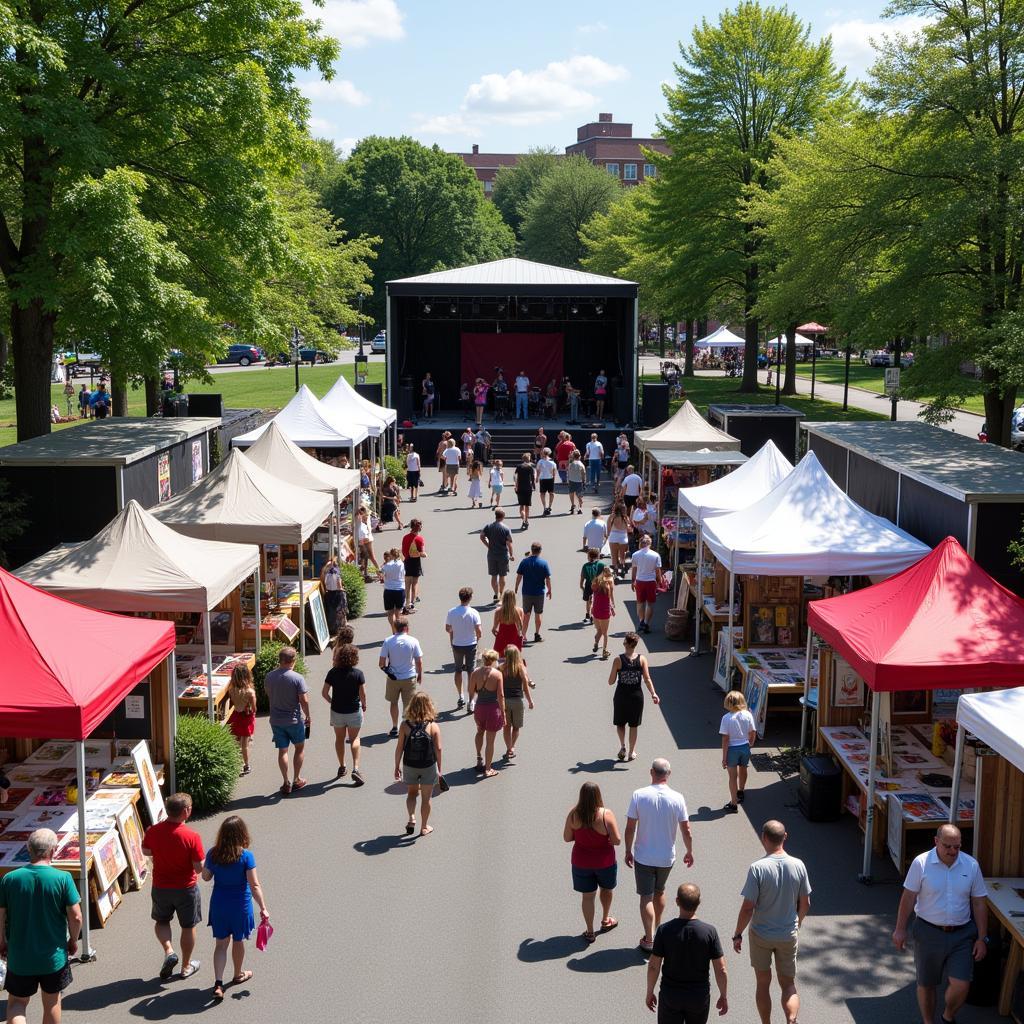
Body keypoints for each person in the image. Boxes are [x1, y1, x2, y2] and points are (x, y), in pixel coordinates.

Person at [893, 823, 988, 1024]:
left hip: (962, 934)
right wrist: (900, 929)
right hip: (928, 932)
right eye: (947, 846)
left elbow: (979, 902)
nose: (953, 851)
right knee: (926, 984)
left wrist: (982, 937)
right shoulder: (921, 863)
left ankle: (948, 1016)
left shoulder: (971, 865)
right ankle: (929, 1021)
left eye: (957, 846)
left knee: (961, 984)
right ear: (936, 842)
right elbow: (909, 897)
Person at [732, 820, 812, 1024]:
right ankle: (791, 1018)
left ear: (764, 838)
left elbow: (748, 907)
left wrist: (738, 933)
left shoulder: (757, 868)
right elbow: (806, 903)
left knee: (763, 983)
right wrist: (797, 923)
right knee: (788, 984)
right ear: (785, 837)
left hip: (761, 935)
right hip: (787, 934)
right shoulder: (798, 865)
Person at [0, 829, 82, 1024]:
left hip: (20, 955)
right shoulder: (63, 878)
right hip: (53, 957)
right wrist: (73, 939)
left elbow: (0, 915)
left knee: (17, 1003)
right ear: (53, 851)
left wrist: (1, 941)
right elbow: (76, 916)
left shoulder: (10, 879)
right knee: (52, 1003)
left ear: (29, 849)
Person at [625, 758, 694, 955]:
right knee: (660, 891)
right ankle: (657, 931)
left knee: (646, 896)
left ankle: (649, 939)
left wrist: (628, 850)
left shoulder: (639, 795)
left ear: (651, 772)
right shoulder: (678, 798)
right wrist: (689, 850)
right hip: (666, 857)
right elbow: (686, 829)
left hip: (644, 856)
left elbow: (630, 827)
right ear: (668, 774)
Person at [201, 816, 269, 1002]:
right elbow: (254, 885)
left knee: (221, 944)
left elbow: (206, 877)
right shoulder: (246, 856)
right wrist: (263, 907)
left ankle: (218, 983)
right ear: (242, 834)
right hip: (240, 906)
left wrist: (206, 866)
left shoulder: (213, 854)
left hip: (219, 906)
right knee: (238, 940)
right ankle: (238, 974)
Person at [142, 792, 205, 980]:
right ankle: (186, 966)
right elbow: (199, 868)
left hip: (161, 886)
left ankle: (169, 951)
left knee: (162, 921)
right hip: (186, 888)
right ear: (186, 811)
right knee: (188, 926)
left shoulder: (153, 831)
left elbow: (146, 850)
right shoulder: (192, 836)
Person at [646, 884, 728, 1024]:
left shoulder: (664, 930)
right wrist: (723, 995)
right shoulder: (709, 932)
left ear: (677, 901)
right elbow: (721, 969)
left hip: (670, 995)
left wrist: (650, 992)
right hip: (698, 996)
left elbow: (654, 966)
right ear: (699, 903)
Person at [564, 783, 621, 944]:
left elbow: (567, 838)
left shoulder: (573, 814)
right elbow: (617, 840)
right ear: (598, 795)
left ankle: (590, 931)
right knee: (606, 890)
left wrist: (580, 836)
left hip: (581, 862)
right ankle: (605, 920)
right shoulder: (606, 815)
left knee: (587, 897)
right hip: (605, 862)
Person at [394, 692, 442, 837]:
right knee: (426, 798)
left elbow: (399, 747)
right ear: (429, 706)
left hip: (410, 764)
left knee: (412, 794)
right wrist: (439, 769)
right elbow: (438, 749)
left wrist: (397, 766)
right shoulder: (433, 726)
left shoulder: (404, 725)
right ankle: (424, 827)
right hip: (428, 765)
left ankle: (411, 818)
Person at [264, 646, 310, 795]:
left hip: (276, 720)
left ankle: (286, 782)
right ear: (293, 661)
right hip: (294, 720)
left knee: (283, 751)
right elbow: (304, 700)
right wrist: (308, 715)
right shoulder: (297, 678)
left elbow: (268, 693)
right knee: (299, 748)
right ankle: (297, 779)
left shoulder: (269, 676)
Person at [610, 632, 659, 761]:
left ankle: (622, 746)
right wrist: (653, 693)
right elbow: (647, 679)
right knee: (634, 725)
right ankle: (631, 752)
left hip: (621, 695)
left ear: (625, 643)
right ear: (635, 645)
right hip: (636, 696)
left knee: (620, 723)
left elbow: (611, 681)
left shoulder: (618, 660)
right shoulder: (642, 659)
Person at [322, 642, 366, 784]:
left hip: (337, 711)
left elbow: (324, 693)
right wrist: (364, 704)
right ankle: (356, 768)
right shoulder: (358, 674)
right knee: (354, 739)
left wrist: (332, 701)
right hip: (353, 710)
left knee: (339, 739)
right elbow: (362, 693)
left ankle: (342, 766)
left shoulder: (332, 672)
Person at [379, 616, 423, 738]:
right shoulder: (413, 641)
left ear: (395, 628)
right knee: (409, 704)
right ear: (406, 628)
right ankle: (409, 726)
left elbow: (381, 663)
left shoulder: (388, 641)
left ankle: (395, 727)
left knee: (393, 702)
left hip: (393, 678)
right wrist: (420, 674)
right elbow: (419, 660)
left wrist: (388, 671)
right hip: (409, 677)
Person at [469, 649, 505, 778]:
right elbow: (500, 695)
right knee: (490, 741)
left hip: (480, 708)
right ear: (494, 660)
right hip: (493, 709)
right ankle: (488, 768)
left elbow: (471, 691)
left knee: (479, 732)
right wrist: (503, 714)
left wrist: (471, 704)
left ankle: (479, 758)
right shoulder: (497, 674)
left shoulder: (475, 673)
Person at [446, 587, 482, 709]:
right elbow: (479, 631)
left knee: (458, 670)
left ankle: (461, 696)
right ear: (470, 597)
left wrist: (454, 632)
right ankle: (471, 700)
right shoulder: (474, 613)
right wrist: (477, 639)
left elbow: (448, 628)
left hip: (457, 644)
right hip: (471, 644)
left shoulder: (452, 612)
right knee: (471, 672)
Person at [720, 691, 757, 813]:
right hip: (745, 747)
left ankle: (734, 803)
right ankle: (741, 790)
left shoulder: (726, 718)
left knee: (732, 776)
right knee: (743, 768)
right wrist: (750, 743)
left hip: (732, 749)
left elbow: (725, 739)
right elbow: (753, 731)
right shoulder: (748, 715)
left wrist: (724, 758)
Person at [500, 644, 534, 760]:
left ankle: (509, 748)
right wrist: (530, 701)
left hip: (504, 701)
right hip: (517, 701)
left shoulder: (501, 668)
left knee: (506, 727)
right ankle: (512, 747)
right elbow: (525, 687)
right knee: (516, 727)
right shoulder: (520, 668)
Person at [515, 541, 552, 643]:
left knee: (526, 614)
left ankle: (523, 635)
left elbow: (519, 576)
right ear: (540, 551)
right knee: (538, 614)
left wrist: (516, 587)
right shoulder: (544, 563)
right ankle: (537, 634)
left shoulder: (524, 562)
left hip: (527, 592)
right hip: (539, 593)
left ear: (532, 550)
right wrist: (550, 590)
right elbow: (547, 578)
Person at [226, 664, 257, 776]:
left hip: (235, 716)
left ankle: (235, 764)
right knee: (245, 744)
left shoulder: (231, 689)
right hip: (246, 717)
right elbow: (254, 709)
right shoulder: (250, 692)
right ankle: (246, 765)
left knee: (235, 742)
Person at [632, 534, 665, 635]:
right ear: (650, 543)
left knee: (640, 602)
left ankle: (642, 621)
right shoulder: (655, 555)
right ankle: (646, 623)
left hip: (640, 581)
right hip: (651, 581)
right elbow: (658, 570)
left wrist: (632, 581)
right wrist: (659, 582)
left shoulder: (635, 555)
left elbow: (634, 569)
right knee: (650, 603)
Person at [480, 507, 514, 601]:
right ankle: (501, 593)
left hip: (491, 554)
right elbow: (509, 542)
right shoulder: (506, 528)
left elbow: (482, 536)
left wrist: (488, 545)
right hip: (503, 554)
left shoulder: (488, 526)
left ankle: (496, 594)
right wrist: (511, 554)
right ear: (503, 516)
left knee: (493, 576)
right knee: (502, 576)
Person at [492, 590, 525, 666]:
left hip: (502, 636)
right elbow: (521, 626)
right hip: (514, 636)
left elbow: (494, 629)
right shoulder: (519, 610)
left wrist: (497, 634)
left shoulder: (498, 611)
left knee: (500, 660)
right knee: (514, 659)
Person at [590, 566, 616, 659]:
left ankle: (596, 643)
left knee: (599, 630)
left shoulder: (595, 583)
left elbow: (593, 594)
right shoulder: (608, 584)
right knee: (605, 633)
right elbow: (610, 597)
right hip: (604, 611)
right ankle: (604, 651)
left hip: (596, 610)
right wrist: (613, 606)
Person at [401, 518, 426, 613]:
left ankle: (406, 603)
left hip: (407, 561)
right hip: (415, 562)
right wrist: (423, 554)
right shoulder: (419, 539)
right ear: (419, 527)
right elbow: (422, 553)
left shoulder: (405, 537)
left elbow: (403, 551)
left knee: (407, 583)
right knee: (414, 583)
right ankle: (412, 603)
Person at [580, 547, 607, 624]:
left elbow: (582, 576)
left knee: (588, 601)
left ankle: (588, 615)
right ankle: (595, 615)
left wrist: (581, 585)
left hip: (588, 585)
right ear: (598, 556)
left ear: (589, 556)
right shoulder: (602, 564)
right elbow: (606, 575)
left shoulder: (585, 566)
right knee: (596, 600)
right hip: (599, 586)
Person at [381, 548, 406, 631]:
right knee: (398, 613)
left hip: (389, 590)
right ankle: (399, 630)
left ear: (390, 555)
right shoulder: (401, 564)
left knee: (390, 613)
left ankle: (393, 629)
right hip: (400, 589)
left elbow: (380, 573)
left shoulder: (387, 565)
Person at [320, 557, 346, 633]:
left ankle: (331, 628)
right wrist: (342, 589)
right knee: (338, 611)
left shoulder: (327, 573)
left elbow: (323, 580)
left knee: (330, 612)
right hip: (337, 593)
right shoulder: (337, 572)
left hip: (329, 593)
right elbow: (339, 582)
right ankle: (338, 628)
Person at [607, 500, 632, 579]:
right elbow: (629, 530)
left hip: (613, 537)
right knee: (622, 557)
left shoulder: (612, 516)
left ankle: (615, 572)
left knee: (614, 557)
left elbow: (608, 529)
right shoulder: (626, 518)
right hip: (623, 538)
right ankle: (622, 570)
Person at [355, 506, 380, 581]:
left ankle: (378, 572)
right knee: (366, 557)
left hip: (365, 538)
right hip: (365, 538)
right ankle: (372, 572)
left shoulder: (363, 518)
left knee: (368, 556)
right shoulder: (365, 517)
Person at [514, 452, 536, 530]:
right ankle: (526, 520)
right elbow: (532, 478)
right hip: (528, 488)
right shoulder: (530, 467)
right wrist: (534, 486)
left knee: (521, 505)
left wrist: (515, 486)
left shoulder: (519, 466)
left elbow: (515, 476)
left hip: (520, 487)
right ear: (529, 459)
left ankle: (523, 520)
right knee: (527, 505)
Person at [537, 447, 557, 516]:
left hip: (542, 479)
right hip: (550, 479)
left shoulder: (540, 461)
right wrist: (554, 479)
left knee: (542, 493)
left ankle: (545, 507)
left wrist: (537, 478)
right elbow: (554, 472)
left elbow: (538, 470)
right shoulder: (552, 462)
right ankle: (549, 506)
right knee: (551, 493)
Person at [564, 449, 584, 513]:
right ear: (579, 456)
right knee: (579, 495)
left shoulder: (571, 464)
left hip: (571, 481)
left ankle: (573, 505)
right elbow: (583, 473)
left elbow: (567, 469)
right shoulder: (581, 464)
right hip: (579, 481)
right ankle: (580, 508)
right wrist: (584, 481)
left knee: (571, 493)